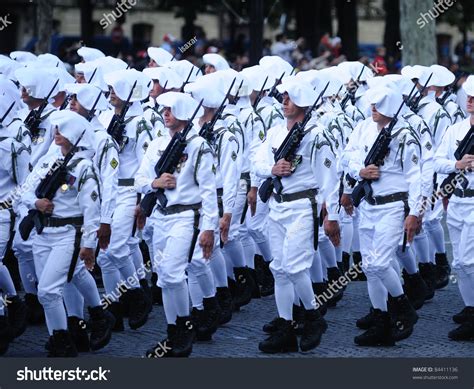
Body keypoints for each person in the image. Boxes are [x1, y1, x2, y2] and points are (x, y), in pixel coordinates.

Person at [254, 80, 341, 353]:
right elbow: (255, 163)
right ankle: (286, 327)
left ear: (303, 100)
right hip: (277, 206)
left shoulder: (316, 135)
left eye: (290, 97)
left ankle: (313, 316)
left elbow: (331, 179)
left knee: (294, 267)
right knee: (279, 269)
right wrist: (273, 168)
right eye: (283, 97)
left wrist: (332, 216)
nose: (284, 101)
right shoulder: (276, 131)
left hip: (303, 206)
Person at [21, 111, 113, 357]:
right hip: (43, 232)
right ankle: (92, 318)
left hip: (68, 233)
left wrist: (88, 244)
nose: (56, 133)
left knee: (48, 291)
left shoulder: (84, 168)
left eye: (61, 129)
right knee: (68, 277)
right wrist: (36, 203)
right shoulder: (51, 161)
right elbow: (26, 189)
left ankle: (62, 341)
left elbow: (91, 210)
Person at [135, 92, 218, 357]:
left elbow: (208, 191)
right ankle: (173, 333)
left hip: (187, 216)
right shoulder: (157, 144)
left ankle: (184, 327)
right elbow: (139, 178)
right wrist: (154, 184)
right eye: (164, 109)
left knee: (173, 273)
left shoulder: (198, 146)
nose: (165, 113)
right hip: (161, 215)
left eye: (170, 109)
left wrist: (208, 227)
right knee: (164, 279)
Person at [344, 87, 420, 346]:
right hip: (368, 205)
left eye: (379, 104)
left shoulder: (405, 135)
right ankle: (381, 320)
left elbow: (416, 177)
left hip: (393, 207)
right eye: (372, 104)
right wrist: (360, 171)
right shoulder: (363, 128)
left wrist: (416, 213)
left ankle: (403, 306)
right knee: (370, 268)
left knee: (379, 263)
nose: (373, 108)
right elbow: (349, 156)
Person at [433, 75, 474, 341]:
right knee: (459, 263)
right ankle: (470, 309)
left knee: (470, 261)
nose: (470, 101)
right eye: (469, 97)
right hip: (457, 200)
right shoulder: (456, 129)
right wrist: (456, 166)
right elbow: (436, 161)